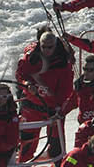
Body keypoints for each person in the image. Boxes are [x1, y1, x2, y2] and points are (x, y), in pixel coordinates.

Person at [15, 26, 74, 159]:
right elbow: (20, 75)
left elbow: (66, 89)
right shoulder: (30, 58)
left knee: (56, 141)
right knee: (27, 139)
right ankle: (24, 164)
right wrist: (27, 84)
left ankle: (57, 162)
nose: (46, 50)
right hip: (31, 104)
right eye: (44, 47)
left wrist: (59, 108)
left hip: (53, 108)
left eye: (50, 47)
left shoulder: (63, 62)